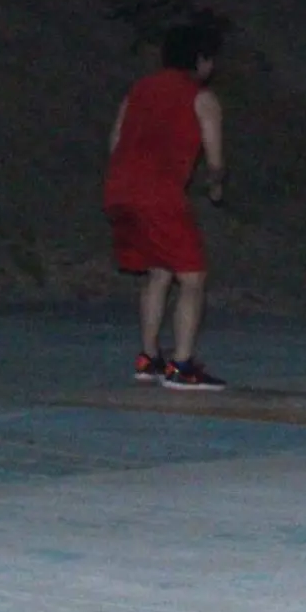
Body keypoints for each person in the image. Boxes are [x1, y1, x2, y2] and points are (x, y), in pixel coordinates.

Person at [104, 21, 229, 391]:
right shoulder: (201, 98)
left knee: (158, 271)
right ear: (202, 60)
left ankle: (149, 357)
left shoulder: (138, 90)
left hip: (119, 190)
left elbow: (115, 141)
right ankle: (182, 365)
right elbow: (216, 159)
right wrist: (216, 186)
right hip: (158, 193)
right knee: (192, 277)